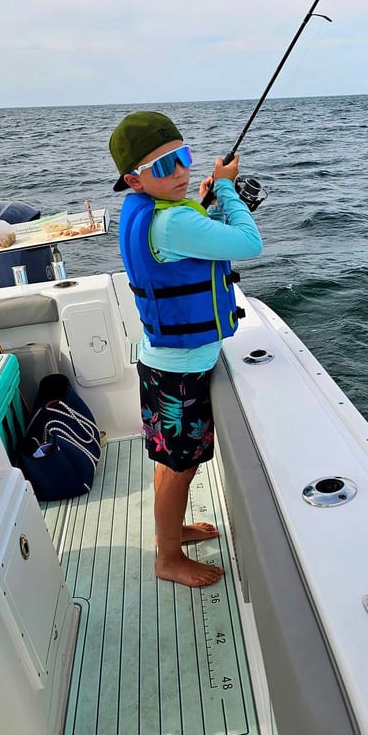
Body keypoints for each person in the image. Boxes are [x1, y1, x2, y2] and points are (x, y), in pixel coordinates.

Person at [109, 111, 263, 588]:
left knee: (171, 461)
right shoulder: (171, 223)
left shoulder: (153, 212)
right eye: (164, 166)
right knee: (179, 469)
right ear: (134, 179)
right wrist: (230, 189)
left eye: (184, 158)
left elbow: (198, 240)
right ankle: (167, 558)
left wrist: (209, 202)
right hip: (181, 372)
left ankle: (170, 534)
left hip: (163, 363)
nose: (179, 172)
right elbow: (247, 243)